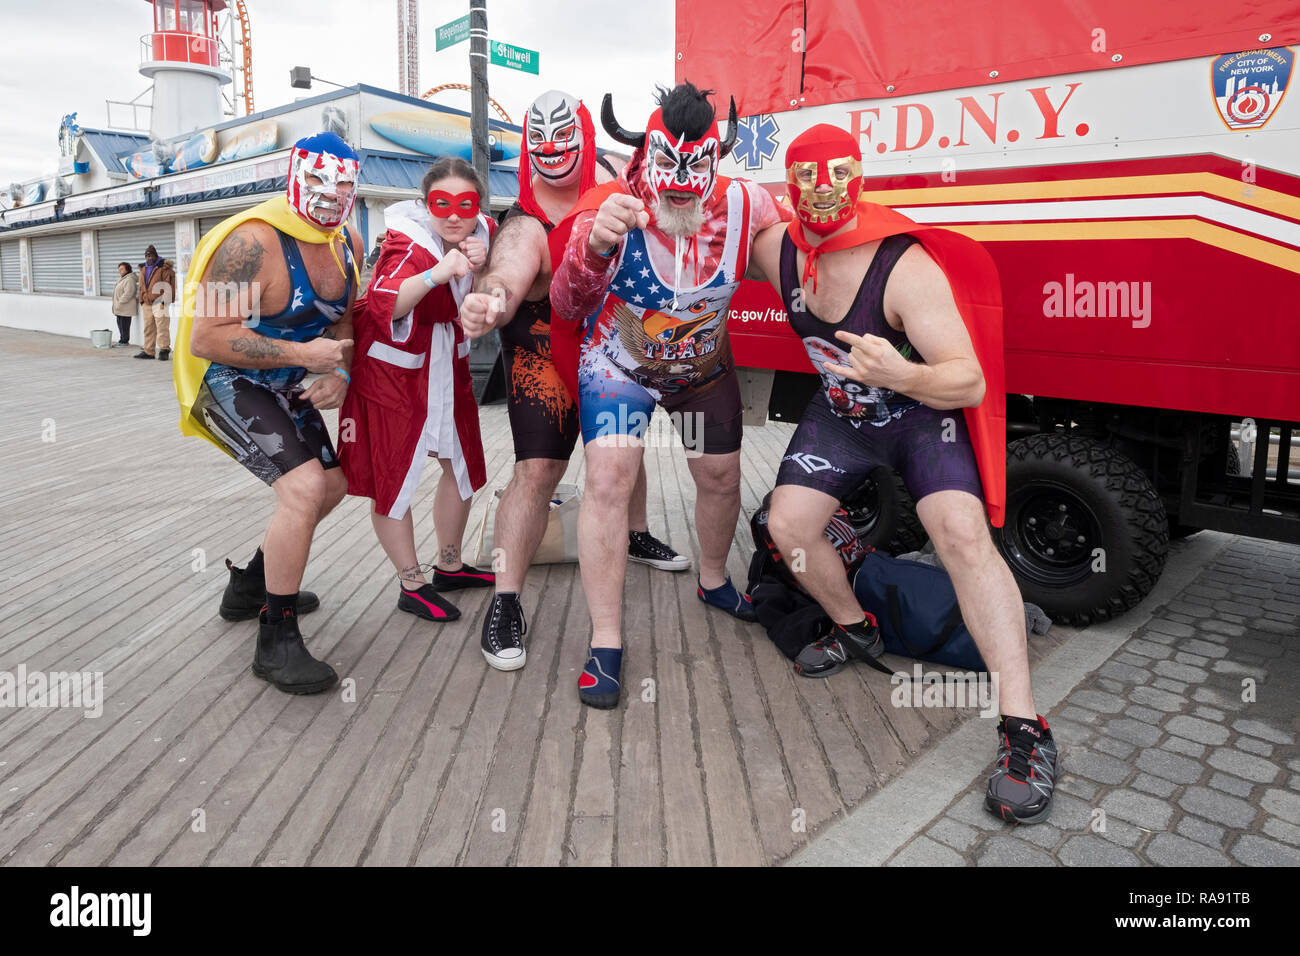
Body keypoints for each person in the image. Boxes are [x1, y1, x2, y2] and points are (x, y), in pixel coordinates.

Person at [747, 123, 1058, 823]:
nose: (824, 192)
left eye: (838, 176)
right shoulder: (774, 250)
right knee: (787, 525)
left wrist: (903, 372)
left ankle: (1025, 727)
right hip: (842, 417)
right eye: (807, 179)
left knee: (960, 534)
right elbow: (701, 226)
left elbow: (969, 382)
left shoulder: (905, 264)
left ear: (861, 177)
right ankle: (856, 627)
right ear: (788, 186)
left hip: (920, 414)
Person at [546, 81, 790, 708]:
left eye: (697, 166)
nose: (681, 182)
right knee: (609, 481)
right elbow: (565, 305)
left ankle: (712, 581)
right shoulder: (612, 207)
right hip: (619, 368)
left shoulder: (747, 203)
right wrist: (594, 247)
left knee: (719, 477)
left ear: (718, 159)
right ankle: (605, 641)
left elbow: (801, 254)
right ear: (643, 156)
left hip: (699, 374)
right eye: (667, 164)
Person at [459, 89, 688, 674]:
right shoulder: (525, 221)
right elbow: (508, 270)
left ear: (585, 137)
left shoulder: (615, 174)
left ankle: (632, 534)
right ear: (526, 145)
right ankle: (505, 598)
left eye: (565, 138)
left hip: (612, 340)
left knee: (619, 452)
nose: (553, 151)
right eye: (540, 141)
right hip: (541, 342)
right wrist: (490, 302)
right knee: (538, 471)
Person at [173, 131, 363, 695]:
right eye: (321, 186)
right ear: (296, 176)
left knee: (332, 485)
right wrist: (305, 356)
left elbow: (346, 317)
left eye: (345, 188)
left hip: (286, 382)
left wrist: (340, 372)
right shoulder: (251, 242)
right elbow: (205, 337)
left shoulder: (346, 240)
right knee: (304, 490)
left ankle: (251, 584)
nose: (332, 199)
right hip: (226, 379)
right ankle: (275, 639)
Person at [338, 157, 495, 625]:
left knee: (462, 464)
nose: (452, 214)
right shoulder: (408, 242)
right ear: (425, 205)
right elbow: (386, 299)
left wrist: (480, 267)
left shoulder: (482, 230)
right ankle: (411, 583)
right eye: (440, 204)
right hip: (392, 369)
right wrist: (436, 274)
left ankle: (448, 565)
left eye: (464, 204)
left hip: (446, 362)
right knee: (395, 476)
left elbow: (487, 281)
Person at [136, 244, 176, 360]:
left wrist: (165, 301)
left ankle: (164, 349)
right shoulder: (143, 269)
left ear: (156, 255)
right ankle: (149, 351)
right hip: (147, 303)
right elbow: (141, 286)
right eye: (147, 255)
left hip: (159, 302)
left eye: (151, 255)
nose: (149, 258)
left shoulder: (164, 268)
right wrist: (141, 300)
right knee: (148, 327)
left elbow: (169, 285)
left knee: (162, 327)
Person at [111, 262, 137, 346]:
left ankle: (124, 341)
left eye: (122, 269)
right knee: (120, 324)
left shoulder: (129, 279)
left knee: (124, 325)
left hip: (125, 307)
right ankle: (122, 340)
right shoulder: (123, 278)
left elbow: (129, 293)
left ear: (127, 269)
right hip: (120, 307)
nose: (120, 271)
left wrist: (120, 302)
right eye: (119, 269)